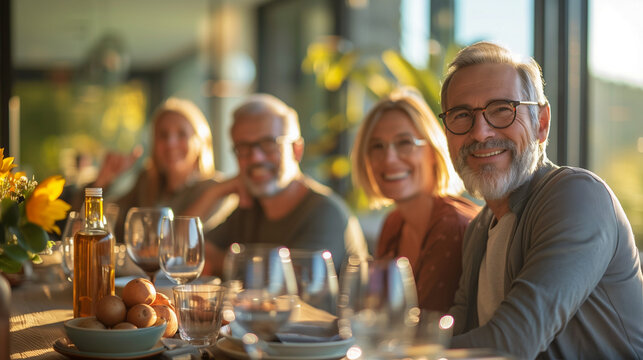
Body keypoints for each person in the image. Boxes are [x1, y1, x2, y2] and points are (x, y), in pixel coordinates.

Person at [440, 41, 643, 359]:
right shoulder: (480, 226)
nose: (480, 132)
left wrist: (390, 352)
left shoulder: (578, 196)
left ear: (542, 123)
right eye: (462, 115)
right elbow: (460, 330)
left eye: (502, 109)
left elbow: (512, 344)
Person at [198, 94, 368, 276]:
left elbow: (288, 284)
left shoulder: (327, 213)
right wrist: (215, 192)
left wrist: (224, 261)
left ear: (297, 150)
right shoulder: (249, 210)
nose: (255, 157)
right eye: (243, 148)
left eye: (269, 144)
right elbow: (190, 256)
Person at [351, 88, 479, 313]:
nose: (389, 159)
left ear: (432, 150)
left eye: (404, 143)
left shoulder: (451, 226)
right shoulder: (394, 223)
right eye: (377, 146)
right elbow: (377, 316)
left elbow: (426, 332)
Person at [73, 97, 231, 241]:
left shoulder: (214, 189)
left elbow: (177, 244)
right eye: (163, 135)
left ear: (200, 142)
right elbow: (102, 222)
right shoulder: (147, 182)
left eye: (181, 134)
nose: (171, 143)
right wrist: (102, 181)